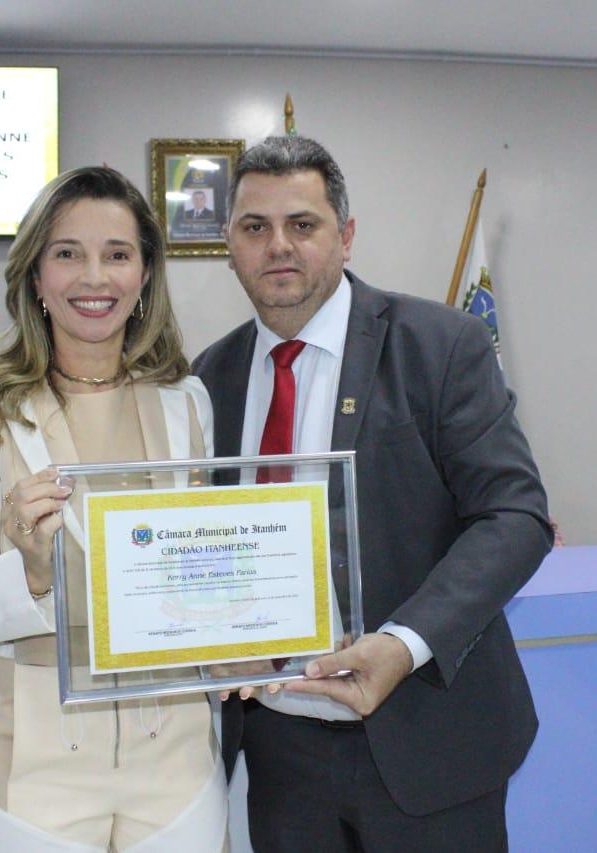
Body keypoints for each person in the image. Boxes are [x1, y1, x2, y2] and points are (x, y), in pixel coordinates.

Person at [193, 136, 552, 851]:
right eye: (255, 227)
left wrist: (401, 644)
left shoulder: (438, 344)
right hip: (280, 749)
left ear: (346, 236)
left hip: (428, 734)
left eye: (303, 224)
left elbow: (515, 516)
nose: (278, 246)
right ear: (229, 245)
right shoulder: (209, 377)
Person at [0, 166, 226, 851]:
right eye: (67, 253)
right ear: (35, 275)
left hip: (176, 753)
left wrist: (245, 635)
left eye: (117, 254)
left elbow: (198, 579)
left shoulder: (186, 402)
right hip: (32, 760)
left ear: (144, 275)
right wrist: (29, 572)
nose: (95, 277)